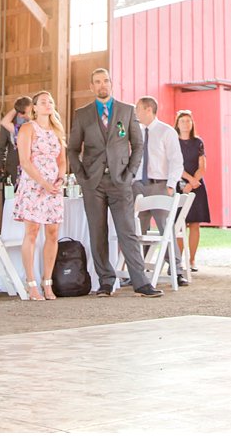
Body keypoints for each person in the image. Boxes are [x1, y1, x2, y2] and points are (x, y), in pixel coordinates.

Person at [66, 69, 161, 297]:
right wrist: (82, 177)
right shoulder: (83, 114)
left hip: (120, 181)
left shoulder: (127, 111)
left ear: (112, 83)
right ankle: (105, 282)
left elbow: (138, 145)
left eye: (106, 81)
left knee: (127, 231)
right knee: (98, 233)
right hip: (93, 183)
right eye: (97, 81)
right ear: (91, 86)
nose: (102, 85)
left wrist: (129, 174)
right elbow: (72, 149)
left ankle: (141, 282)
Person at [12, 91, 67, 302]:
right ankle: (31, 283)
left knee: (52, 233)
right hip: (34, 185)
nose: (48, 105)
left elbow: (62, 160)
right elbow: (24, 161)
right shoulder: (28, 128)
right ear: (34, 107)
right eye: (43, 102)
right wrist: (43, 183)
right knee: (32, 232)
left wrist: (60, 179)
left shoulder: (56, 130)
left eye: (50, 102)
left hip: (53, 186)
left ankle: (48, 281)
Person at [133, 97, 184, 279]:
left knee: (165, 227)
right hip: (138, 186)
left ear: (148, 109)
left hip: (159, 185)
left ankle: (176, 269)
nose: (135, 112)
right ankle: (138, 270)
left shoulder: (166, 131)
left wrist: (171, 185)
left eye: (138, 109)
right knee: (138, 229)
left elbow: (176, 160)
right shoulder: (136, 132)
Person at [175, 111, 211, 272]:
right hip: (180, 184)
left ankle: (192, 260)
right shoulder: (174, 142)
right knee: (179, 224)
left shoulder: (198, 142)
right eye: (182, 121)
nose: (185, 124)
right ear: (177, 124)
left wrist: (194, 181)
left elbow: (202, 165)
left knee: (195, 224)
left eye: (188, 121)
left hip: (196, 186)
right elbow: (174, 164)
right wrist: (188, 181)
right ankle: (178, 261)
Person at [0, 95, 33, 187]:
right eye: (20, 112)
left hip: (33, 165)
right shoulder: (12, 124)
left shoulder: (35, 124)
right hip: (13, 166)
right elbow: (1, 147)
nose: (22, 115)